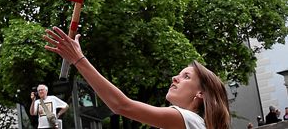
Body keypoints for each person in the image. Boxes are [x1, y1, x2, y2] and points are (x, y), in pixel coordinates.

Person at [44, 26, 231, 129]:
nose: (175, 78)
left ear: (201, 93)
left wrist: (79, 60)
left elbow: (122, 105)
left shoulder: (187, 119)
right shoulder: (190, 123)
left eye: (186, 76)